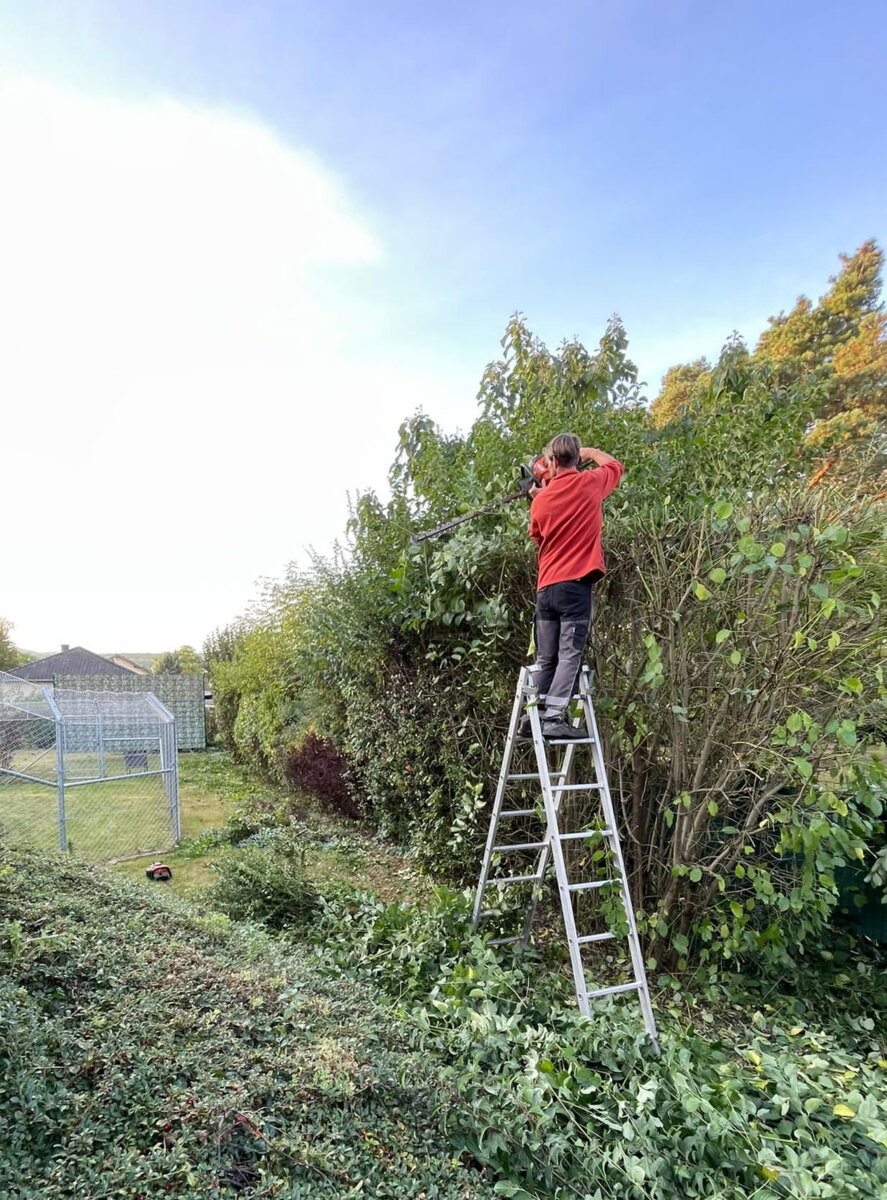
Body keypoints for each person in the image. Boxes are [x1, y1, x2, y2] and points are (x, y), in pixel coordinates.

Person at [519, 433, 623, 740]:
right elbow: (615, 466)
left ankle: (533, 716)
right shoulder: (590, 483)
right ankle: (552, 718)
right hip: (574, 586)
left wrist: (542, 494)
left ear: (550, 463)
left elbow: (538, 536)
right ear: (577, 458)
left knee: (546, 658)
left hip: (545, 589)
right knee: (569, 655)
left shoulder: (540, 502)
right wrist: (591, 451)